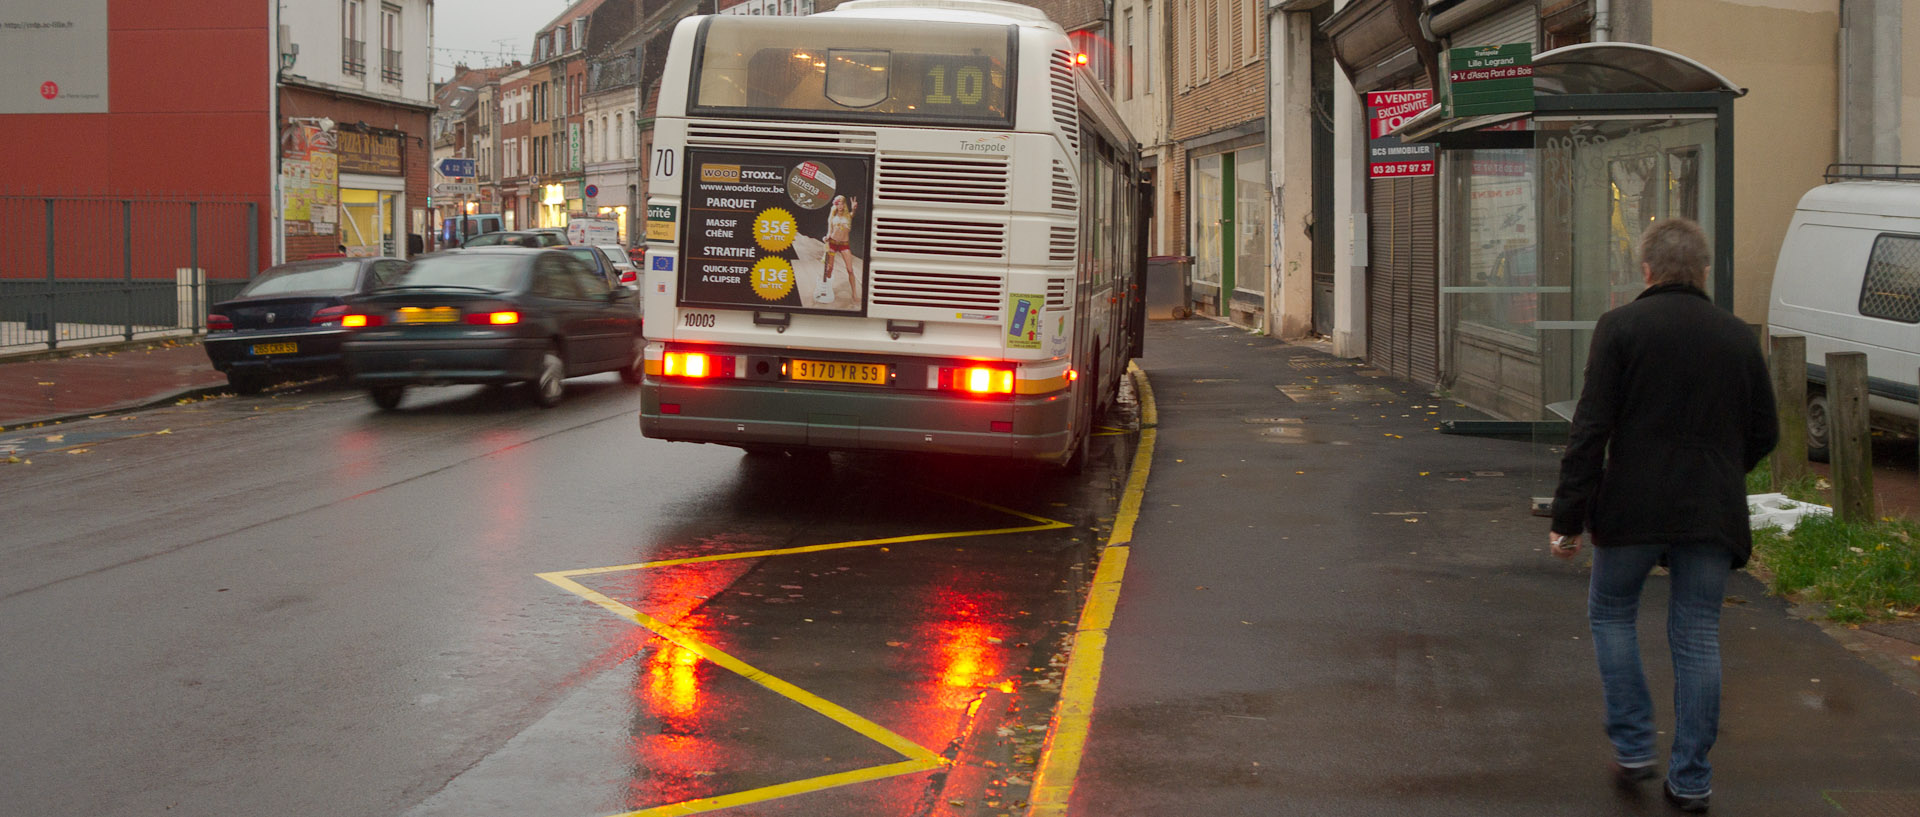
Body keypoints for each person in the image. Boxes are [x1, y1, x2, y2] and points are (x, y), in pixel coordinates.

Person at [1549, 217, 1777, 813]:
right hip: (1709, 510)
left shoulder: (1620, 327)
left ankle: (1632, 748)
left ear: (1645, 270)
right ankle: (1692, 780)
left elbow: (1590, 428)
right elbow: (1765, 431)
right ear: (1704, 271)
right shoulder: (1736, 336)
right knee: (1698, 635)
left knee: (1611, 614)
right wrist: (1720, 471)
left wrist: (1568, 518)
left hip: (1629, 506)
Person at [814, 195, 857, 303]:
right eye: (838, 203)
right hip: (832, 244)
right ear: (835, 205)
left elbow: (852, 214)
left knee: (850, 269)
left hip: (844, 245)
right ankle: (826, 289)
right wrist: (826, 237)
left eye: (842, 203)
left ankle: (854, 293)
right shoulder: (832, 217)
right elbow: (829, 232)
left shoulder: (848, 216)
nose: (840, 205)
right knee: (829, 269)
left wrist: (854, 208)